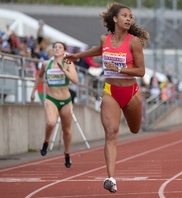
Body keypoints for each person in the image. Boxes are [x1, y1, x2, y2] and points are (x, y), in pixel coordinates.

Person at [63, 2, 149, 193]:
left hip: (131, 92)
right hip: (111, 91)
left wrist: (119, 68)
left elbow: (141, 71)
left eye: (131, 16)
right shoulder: (105, 39)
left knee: (135, 129)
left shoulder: (133, 41)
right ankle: (111, 178)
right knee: (111, 133)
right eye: (125, 15)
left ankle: (112, 175)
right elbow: (98, 50)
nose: (129, 19)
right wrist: (77, 56)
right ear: (115, 19)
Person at [30, 41, 78, 168]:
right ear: (53, 50)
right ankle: (46, 141)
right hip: (51, 99)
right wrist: (33, 91)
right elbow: (40, 77)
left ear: (64, 51)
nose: (57, 49)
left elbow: (75, 80)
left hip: (66, 101)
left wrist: (64, 70)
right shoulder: (46, 64)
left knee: (66, 130)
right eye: (55, 47)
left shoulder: (68, 63)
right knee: (51, 122)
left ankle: (67, 154)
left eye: (60, 47)